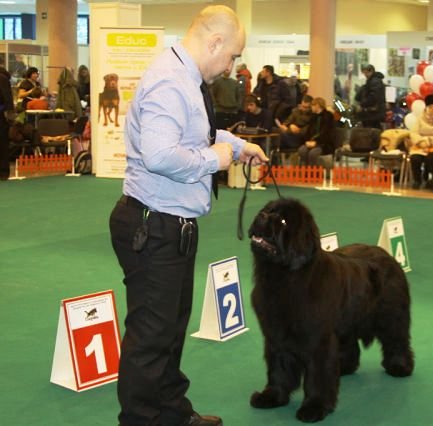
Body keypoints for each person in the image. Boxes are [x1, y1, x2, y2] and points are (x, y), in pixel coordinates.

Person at [108, 6, 268, 426]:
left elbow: (196, 133)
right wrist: (214, 160)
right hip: (153, 224)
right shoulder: (169, 81)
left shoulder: (186, 79)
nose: (232, 66)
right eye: (232, 55)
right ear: (214, 42)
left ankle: (172, 414)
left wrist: (235, 146)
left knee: (169, 332)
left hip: (169, 224)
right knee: (151, 338)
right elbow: (161, 155)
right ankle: (141, 421)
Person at [407, 94, 433, 190]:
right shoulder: (420, 118)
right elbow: (413, 133)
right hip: (420, 145)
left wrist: (429, 142)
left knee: (431, 158)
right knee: (415, 158)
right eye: (431, 107)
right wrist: (422, 142)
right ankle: (417, 180)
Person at [297, 97, 336, 166]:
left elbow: (326, 133)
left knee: (313, 153)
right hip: (312, 142)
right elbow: (308, 131)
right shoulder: (313, 117)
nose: (311, 107)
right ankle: (305, 172)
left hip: (323, 144)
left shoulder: (328, 117)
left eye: (312, 105)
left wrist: (316, 142)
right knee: (302, 150)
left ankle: (314, 174)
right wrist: (307, 141)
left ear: (317, 105)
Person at [355, 64, 386, 128]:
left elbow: (373, 97)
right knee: (374, 130)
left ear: (371, 71)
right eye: (364, 73)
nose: (365, 75)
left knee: (371, 130)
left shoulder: (375, 81)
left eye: (366, 72)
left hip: (373, 113)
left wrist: (362, 104)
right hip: (373, 113)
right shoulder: (374, 81)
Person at [0, 66, 15, 181]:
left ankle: (3, 172)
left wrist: (9, 116)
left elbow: (7, 99)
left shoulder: (2, 78)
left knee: (2, 143)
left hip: (2, 116)